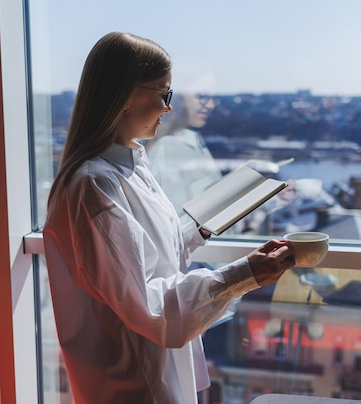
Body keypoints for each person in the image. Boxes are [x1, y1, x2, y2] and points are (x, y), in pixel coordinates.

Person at [42, 31, 295, 404]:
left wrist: (202, 226)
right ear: (125, 95)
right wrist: (245, 275)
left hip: (146, 369)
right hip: (133, 382)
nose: (168, 107)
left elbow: (146, 251)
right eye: (163, 94)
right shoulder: (93, 186)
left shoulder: (128, 166)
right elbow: (150, 305)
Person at [146, 66, 222, 217]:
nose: (211, 104)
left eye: (213, 97)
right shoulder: (168, 147)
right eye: (202, 96)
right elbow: (174, 221)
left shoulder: (193, 142)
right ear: (179, 98)